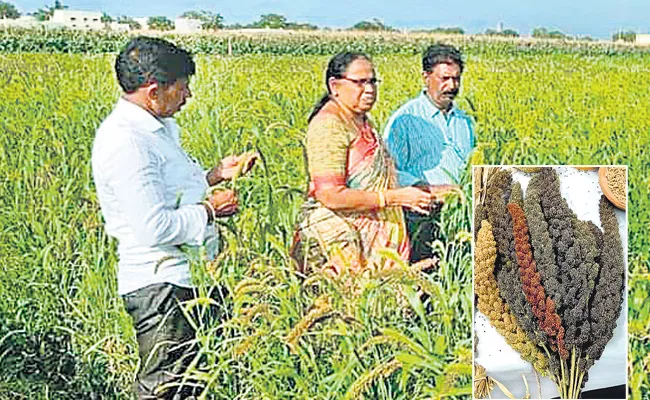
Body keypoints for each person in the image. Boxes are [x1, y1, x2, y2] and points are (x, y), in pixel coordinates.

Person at [92, 36, 255, 399]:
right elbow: (153, 226)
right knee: (166, 388)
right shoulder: (127, 142)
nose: (188, 96)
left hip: (186, 279)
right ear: (154, 91)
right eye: (183, 88)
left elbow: (165, 191)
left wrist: (212, 176)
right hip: (162, 286)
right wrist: (212, 210)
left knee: (193, 385)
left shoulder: (155, 129)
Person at [291, 52, 434, 275]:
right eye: (359, 82)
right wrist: (393, 198)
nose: (369, 90)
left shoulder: (361, 120)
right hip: (344, 241)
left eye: (372, 81)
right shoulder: (328, 125)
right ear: (334, 85)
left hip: (379, 244)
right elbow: (330, 195)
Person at [384, 44, 475, 262]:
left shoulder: (464, 121)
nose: (451, 86)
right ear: (426, 77)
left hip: (460, 215)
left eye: (456, 79)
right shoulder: (405, 119)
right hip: (422, 215)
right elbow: (389, 171)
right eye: (444, 79)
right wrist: (428, 189)